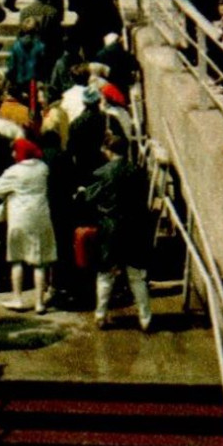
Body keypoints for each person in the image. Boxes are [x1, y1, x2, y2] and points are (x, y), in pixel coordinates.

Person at [82, 134, 155, 331]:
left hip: (110, 228)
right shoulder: (137, 171)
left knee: (106, 275)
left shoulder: (102, 173)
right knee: (136, 276)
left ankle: (100, 315)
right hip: (133, 227)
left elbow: (90, 198)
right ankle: (145, 318)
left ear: (109, 150)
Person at [0, 136, 59, 313]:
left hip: (19, 217)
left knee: (16, 259)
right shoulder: (43, 168)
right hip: (40, 216)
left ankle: (18, 298)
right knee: (39, 262)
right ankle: (39, 302)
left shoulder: (14, 171)